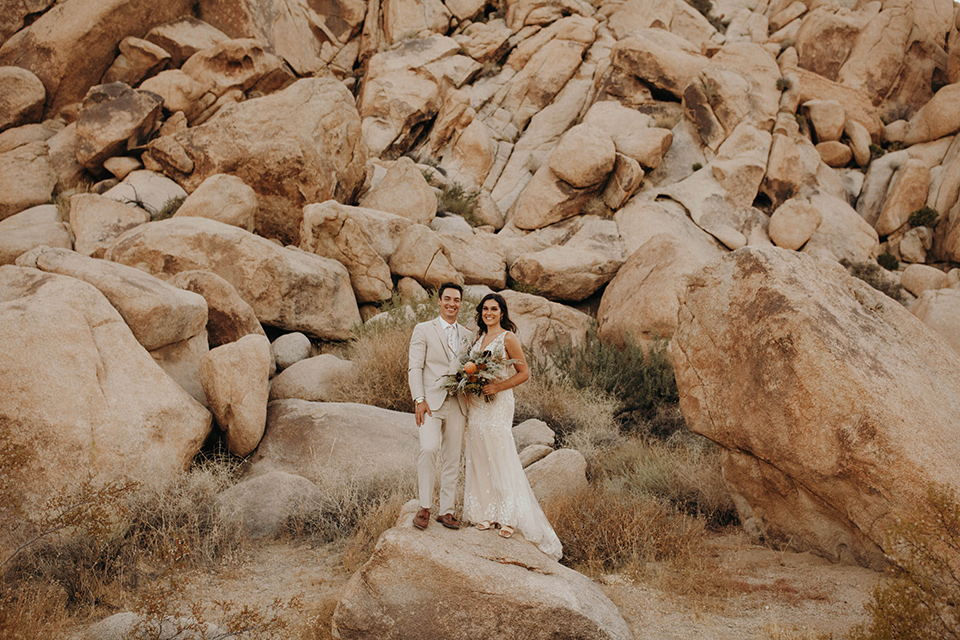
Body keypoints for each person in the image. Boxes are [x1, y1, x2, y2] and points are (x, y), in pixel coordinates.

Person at [462, 292, 562, 560]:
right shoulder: (478, 339)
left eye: (494, 309)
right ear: (481, 312)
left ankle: (508, 517)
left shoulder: (508, 338)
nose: (489, 313)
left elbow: (524, 373)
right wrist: (469, 388)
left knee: (500, 453)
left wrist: (497, 386)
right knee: (480, 454)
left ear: (502, 312)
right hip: (478, 405)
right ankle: (486, 513)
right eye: (485, 309)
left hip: (499, 402)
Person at [407, 282, 472, 531]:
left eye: (456, 300)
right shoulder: (423, 329)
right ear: (439, 301)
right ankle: (424, 507)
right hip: (430, 403)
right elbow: (415, 367)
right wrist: (419, 400)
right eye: (447, 299)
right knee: (429, 448)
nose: (451, 304)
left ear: (460, 303)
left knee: (453, 458)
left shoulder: (467, 336)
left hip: (457, 403)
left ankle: (446, 511)